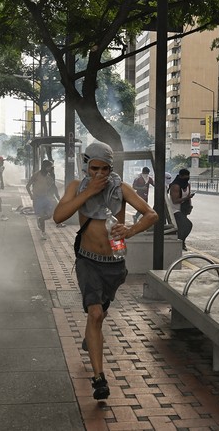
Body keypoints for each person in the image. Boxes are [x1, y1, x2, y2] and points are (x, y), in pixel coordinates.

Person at [53, 141, 158, 401]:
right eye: (94, 168)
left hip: (114, 264)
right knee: (95, 313)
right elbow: (58, 216)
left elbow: (151, 214)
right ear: (86, 166)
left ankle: (92, 335)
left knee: (100, 312)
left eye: (104, 169)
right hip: (87, 261)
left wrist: (130, 230)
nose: (99, 174)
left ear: (111, 168)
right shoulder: (77, 187)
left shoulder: (121, 188)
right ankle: (99, 378)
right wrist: (87, 193)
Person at [26, 159, 60, 239]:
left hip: (45, 197)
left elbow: (53, 187)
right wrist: (31, 195)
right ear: (45, 167)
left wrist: (56, 196)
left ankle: (40, 220)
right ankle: (43, 232)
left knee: (49, 215)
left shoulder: (49, 177)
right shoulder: (36, 175)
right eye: (49, 167)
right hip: (37, 198)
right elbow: (27, 186)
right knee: (41, 214)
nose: (51, 169)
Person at [168, 169, 194, 251]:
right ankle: (179, 242)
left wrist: (190, 205)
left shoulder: (188, 185)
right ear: (181, 176)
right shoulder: (175, 186)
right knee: (187, 225)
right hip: (174, 210)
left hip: (183, 209)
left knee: (182, 227)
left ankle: (181, 242)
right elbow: (174, 201)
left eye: (188, 176)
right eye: (185, 177)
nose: (187, 178)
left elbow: (188, 196)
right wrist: (187, 198)